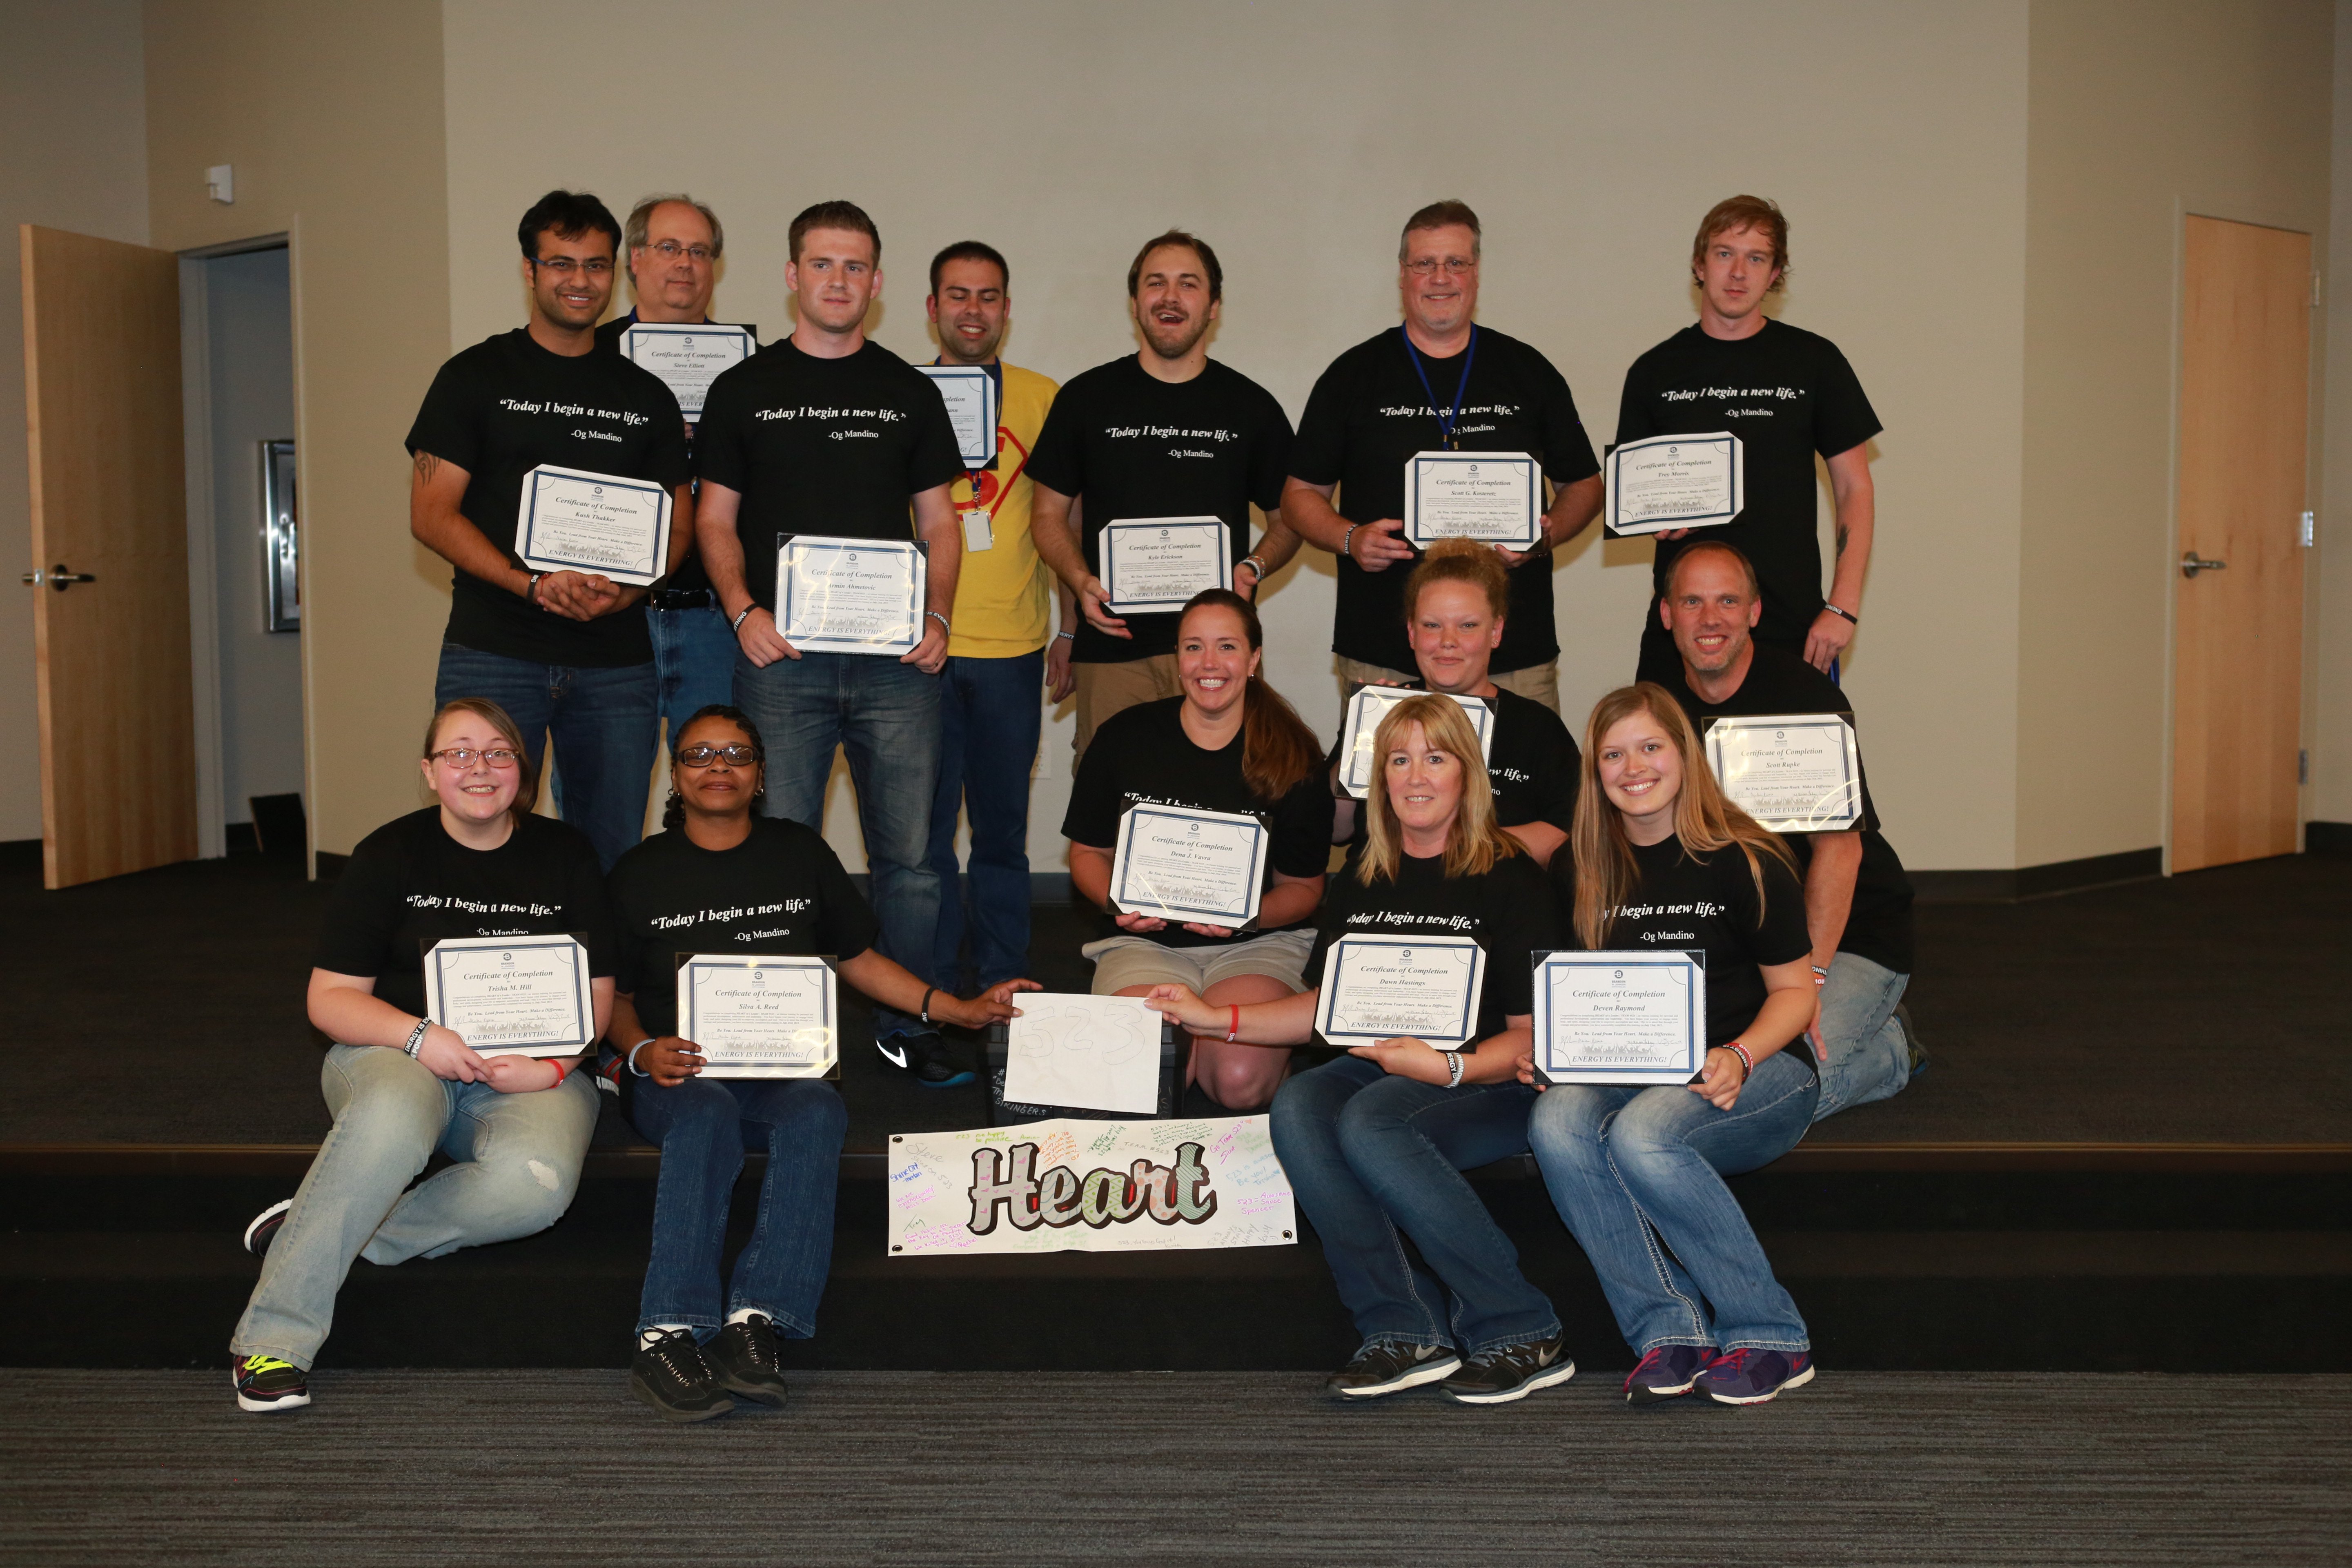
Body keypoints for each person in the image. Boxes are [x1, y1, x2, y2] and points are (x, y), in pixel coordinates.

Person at [604, 705, 1038, 1421]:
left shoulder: (799, 853)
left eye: (737, 753)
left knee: (818, 1107)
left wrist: (955, 1010)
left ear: (761, 772)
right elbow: (613, 997)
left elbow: (859, 960)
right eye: (700, 754)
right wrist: (642, 1050)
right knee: (708, 1107)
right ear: (676, 776)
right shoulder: (638, 872)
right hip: (678, 1074)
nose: (719, 766)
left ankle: (756, 1320)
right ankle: (667, 1330)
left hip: (776, 1069)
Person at [1149, 695, 1570, 1404]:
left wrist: (1448, 1067)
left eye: (1435, 758)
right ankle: (1404, 1329)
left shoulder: (1512, 878)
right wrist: (1210, 1016)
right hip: (1388, 1066)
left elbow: (1534, 1039)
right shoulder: (1364, 879)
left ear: (1467, 773)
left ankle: (1519, 1327)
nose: (1415, 776)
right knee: (1304, 1099)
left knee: (1372, 1118)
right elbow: (1322, 1011)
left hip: (1489, 1078)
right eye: (1398, 760)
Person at [228, 699, 616, 1412]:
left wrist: (556, 1067)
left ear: (521, 773)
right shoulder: (388, 855)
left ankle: (328, 1222)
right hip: (399, 1052)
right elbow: (331, 999)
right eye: (458, 753)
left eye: (499, 753)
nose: (480, 767)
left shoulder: (566, 854)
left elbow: (596, 997)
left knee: (534, 1188)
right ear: (429, 772)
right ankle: (278, 1336)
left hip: (529, 1074)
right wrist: (420, 1036)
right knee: (389, 1125)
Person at [694, 200, 970, 1085]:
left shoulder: (909, 391)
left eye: (855, 268)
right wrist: (743, 612)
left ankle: (907, 1023)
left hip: (898, 668)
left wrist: (936, 619)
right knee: (773, 850)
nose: (839, 282)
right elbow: (715, 519)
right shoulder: (744, 390)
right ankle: (774, 1028)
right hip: (783, 665)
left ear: (878, 284)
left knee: (915, 861)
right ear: (792, 276)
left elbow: (942, 524)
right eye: (822, 265)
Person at [1524, 684, 1820, 1407]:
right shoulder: (1580, 868)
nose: (1634, 767)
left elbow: (1797, 994)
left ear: (1684, 754)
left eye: (1651, 746)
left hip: (1760, 1069)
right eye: (1614, 754)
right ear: (1595, 773)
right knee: (1555, 1120)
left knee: (1645, 1136)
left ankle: (1771, 1335)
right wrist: (1552, 1048)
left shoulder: (1747, 860)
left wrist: (1741, 1055)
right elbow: (1579, 989)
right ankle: (1672, 1331)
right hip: (1637, 1066)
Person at [408, 189, 694, 870]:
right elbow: (431, 512)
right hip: (496, 648)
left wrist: (627, 594)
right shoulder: (473, 377)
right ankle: (485, 976)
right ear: (530, 270)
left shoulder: (644, 395)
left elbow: (677, 524)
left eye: (596, 265)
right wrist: (530, 586)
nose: (579, 281)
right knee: (479, 831)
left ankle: (603, 979)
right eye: (561, 263)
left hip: (615, 659)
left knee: (611, 844)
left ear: (615, 273)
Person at [1283, 200, 1602, 715]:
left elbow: (1585, 485)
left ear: (1476, 273)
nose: (1440, 278)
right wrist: (1349, 538)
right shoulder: (1352, 375)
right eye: (1424, 264)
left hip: (1512, 653)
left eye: (1455, 263)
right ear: (1403, 275)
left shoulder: (1529, 371)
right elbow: (1299, 496)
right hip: (1384, 651)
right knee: (1386, 794)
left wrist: (1547, 537)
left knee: (1517, 795)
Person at [1653, 541, 1918, 1118]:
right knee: (1687, 1072)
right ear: (1667, 614)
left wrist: (1811, 982)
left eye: (1728, 600)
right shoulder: (1659, 708)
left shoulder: (1806, 697)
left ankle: (1892, 1051)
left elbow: (1841, 851)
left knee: (1779, 1092)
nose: (1710, 618)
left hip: (1848, 933)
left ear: (1754, 613)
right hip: (1747, 937)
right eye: (1692, 601)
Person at [1027, 230, 1299, 759]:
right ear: (1135, 303)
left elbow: (1291, 515)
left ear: (1214, 306)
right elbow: (1047, 516)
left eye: (1188, 284)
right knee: (1110, 810)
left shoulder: (1250, 407)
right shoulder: (1085, 399)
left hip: (1216, 656)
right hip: (1113, 651)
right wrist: (1079, 582)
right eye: (1156, 283)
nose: (1170, 297)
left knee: (1219, 798)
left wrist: (1254, 568)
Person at [1061, 591, 1332, 1111]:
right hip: (1143, 945)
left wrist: (1247, 918)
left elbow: (1304, 890)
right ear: (1178, 659)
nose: (1209, 664)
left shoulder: (1294, 753)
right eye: (1194, 648)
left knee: (1235, 1079)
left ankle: (1277, 1081)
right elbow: (1087, 854)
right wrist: (1118, 905)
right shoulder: (1125, 737)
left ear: (1254, 659)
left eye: (1227, 647)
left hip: (1256, 945)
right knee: (1150, 1075)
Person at [1622, 196, 1881, 683]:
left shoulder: (1815, 362)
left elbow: (1854, 487)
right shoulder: (1653, 371)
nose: (1738, 272)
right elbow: (1636, 494)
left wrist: (1843, 609)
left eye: (1756, 258)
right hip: (1684, 627)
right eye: (1724, 254)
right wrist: (1656, 516)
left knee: (1790, 761)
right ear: (1699, 265)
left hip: (1791, 622)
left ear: (1776, 272)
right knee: (1664, 759)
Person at [918, 241, 1067, 1001]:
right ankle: (940, 988)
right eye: (958, 295)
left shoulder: (1044, 398)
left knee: (1003, 836)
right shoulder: (899, 396)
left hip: (1013, 650)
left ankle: (1009, 983)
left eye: (987, 297)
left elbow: (1068, 518)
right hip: (921, 652)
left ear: (1006, 310)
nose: (972, 311)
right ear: (931, 308)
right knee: (928, 838)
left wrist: (1069, 628)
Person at [595, 194, 757, 736]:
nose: (685, 263)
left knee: (719, 798)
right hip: (614, 615)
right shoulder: (589, 359)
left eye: (700, 251)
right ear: (635, 260)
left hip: (717, 618)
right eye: (669, 248)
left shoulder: (753, 373)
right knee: (600, 798)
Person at [1331, 538, 1581, 867]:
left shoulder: (1537, 727)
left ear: (1496, 631)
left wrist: (1456, 844)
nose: (1448, 642)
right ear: (1411, 633)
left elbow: (1567, 835)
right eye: (1432, 626)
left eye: (1468, 626)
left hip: (1493, 899)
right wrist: (1359, 743)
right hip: (1385, 896)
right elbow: (1336, 830)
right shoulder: (1380, 715)